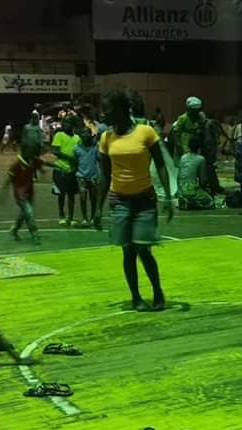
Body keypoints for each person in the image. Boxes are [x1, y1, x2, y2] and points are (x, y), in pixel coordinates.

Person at [97, 90, 174, 311]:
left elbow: (160, 164)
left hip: (144, 200)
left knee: (143, 249)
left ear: (121, 109)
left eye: (108, 110)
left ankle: (158, 291)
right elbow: (104, 174)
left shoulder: (145, 132)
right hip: (119, 200)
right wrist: (97, 208)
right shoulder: (106, 138)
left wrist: (168, 197)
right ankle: (136, 297)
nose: (104, 115)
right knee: (128, 251)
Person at [3, 154, 42, 244]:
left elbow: (44, 163)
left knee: (24, 214)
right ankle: (35, 234)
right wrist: (3, 193)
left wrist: (59, 166)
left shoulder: (32, 160)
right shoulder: (16, 165)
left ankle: (15, 229)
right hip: (20, 194)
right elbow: (9, 179)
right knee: (29, 212)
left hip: (29, 192)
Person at [51, 118, 81, 226]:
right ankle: (61, 216)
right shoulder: (59, 135)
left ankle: (71, 217)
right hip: (60, 169)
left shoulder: (77, 138)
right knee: (61, 194)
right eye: (63, 123)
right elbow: (55, 151)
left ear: (72, 125)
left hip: (72, 170)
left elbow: (79, 152)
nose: (65, 125)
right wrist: (69, 158)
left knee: (71, 195)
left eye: (68, 122)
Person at [176, 135, 214, 210]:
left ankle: (186, 201)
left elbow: (179, 176)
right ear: (200, 147)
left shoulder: (183, 157)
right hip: (191, 191)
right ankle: (192, 202)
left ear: (189, 146)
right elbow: (203, 180)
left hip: (180, 191)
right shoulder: (201, 159)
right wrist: (206, 190)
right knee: (210, 202)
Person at [74, 127, 100, 227]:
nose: (85, 135)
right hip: (81, 177)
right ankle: (84, 218)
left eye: (87, 133)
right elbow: (76, 162)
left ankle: (93, 217)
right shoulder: (77, 148)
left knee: (93, 198)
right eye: (83, 133)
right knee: (82, 197)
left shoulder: (95, 148)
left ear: (90, 135)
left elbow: (99, 159)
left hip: (93, 176)